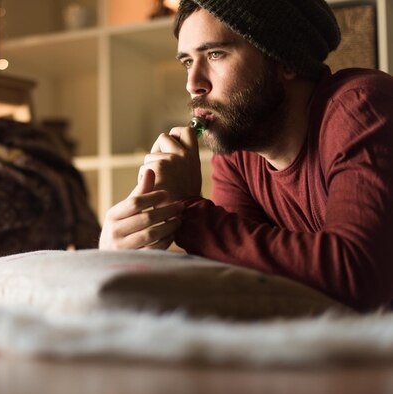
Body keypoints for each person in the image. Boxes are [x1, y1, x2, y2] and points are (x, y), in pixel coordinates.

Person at [99, 0, 393, 312]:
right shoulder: (236, 152)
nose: (192, 84)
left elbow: (359, 276)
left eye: (215, 54)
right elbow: (240, 276)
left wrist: (187, 209)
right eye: (187, 62)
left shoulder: (362, 107)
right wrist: (131, 244)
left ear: (285, 60)